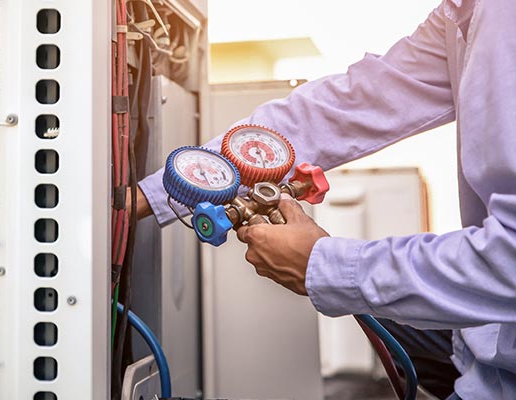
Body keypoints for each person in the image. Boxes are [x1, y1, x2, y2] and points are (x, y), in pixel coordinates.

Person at [131, 0, 516, 398]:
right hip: (487, 334)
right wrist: (148, 196)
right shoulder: (470, 12)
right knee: (400, 324)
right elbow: (352, 105)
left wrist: (322, 265)